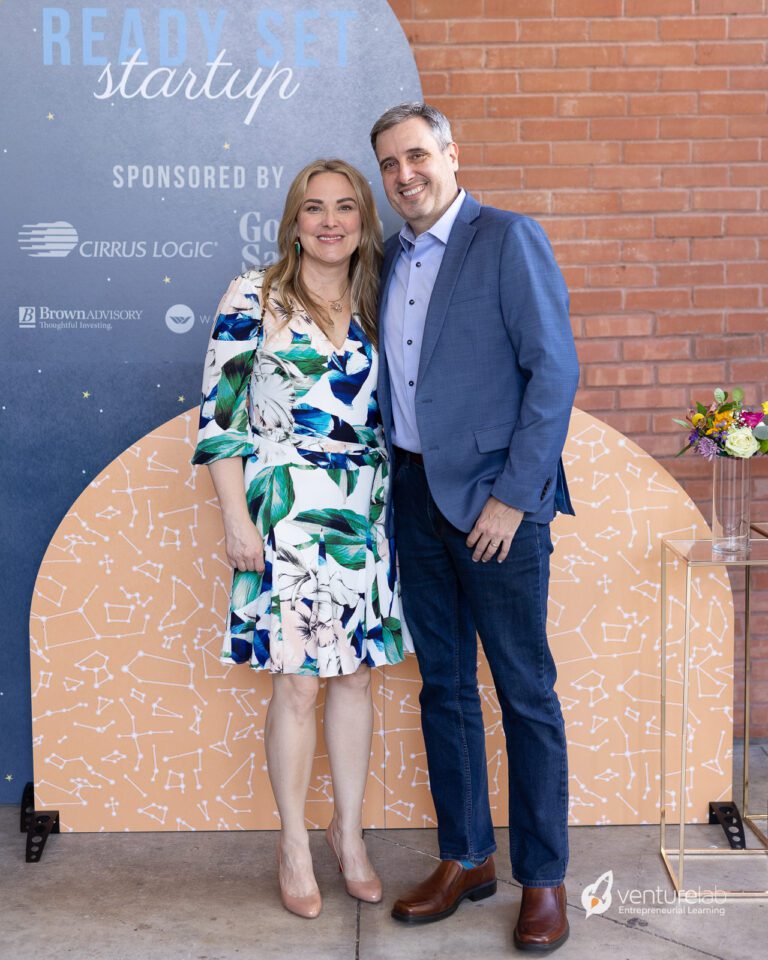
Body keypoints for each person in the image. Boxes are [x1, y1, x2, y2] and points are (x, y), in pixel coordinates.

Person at [370, 102, 579, 953]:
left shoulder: (507, 237)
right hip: (414, 501)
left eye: (417, 155)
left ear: (451, 154)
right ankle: (466, 858)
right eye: (389, 164)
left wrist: (513, 496)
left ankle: (544, 879)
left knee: (525, 695)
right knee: (444, 689)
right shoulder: (385, 258)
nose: (404, 175)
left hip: (498, 507)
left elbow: (553, 371)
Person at [192, 158, 411, 919]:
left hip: (365, 509)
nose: (330, 221)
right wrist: (236, 519)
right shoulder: (252, 295)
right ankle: (292, 843)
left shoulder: (384, 294)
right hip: (281, 510)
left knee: (355, 677)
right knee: (298, 681)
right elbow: (221, 421)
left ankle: (348, 838)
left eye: (345, 207)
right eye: (313, 208)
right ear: (293, 220)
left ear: (364, 220)